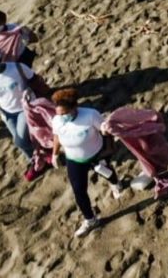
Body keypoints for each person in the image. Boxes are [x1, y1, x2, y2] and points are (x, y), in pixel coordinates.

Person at [50, 88, 125, 237]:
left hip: (96, 154)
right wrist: (55, 153)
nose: (61, 117)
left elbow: (106, 131)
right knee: (79, 191)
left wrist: (109, 148)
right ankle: (90, 219)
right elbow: (57, 136)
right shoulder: (57, 120)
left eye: (64, 113)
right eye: (59, 114)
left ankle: (116, 184)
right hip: (74, 159)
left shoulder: (90, 115)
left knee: (107, 172)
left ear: (74, 107)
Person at [0, 47, 37, 172]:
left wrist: (30, 90)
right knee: (19, 142)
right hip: (6, 111)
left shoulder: (18, 68)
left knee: (20, 142)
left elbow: (36, 81)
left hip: (23, 108)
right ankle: (34, 162)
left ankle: (40, 157)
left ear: (0, 61)